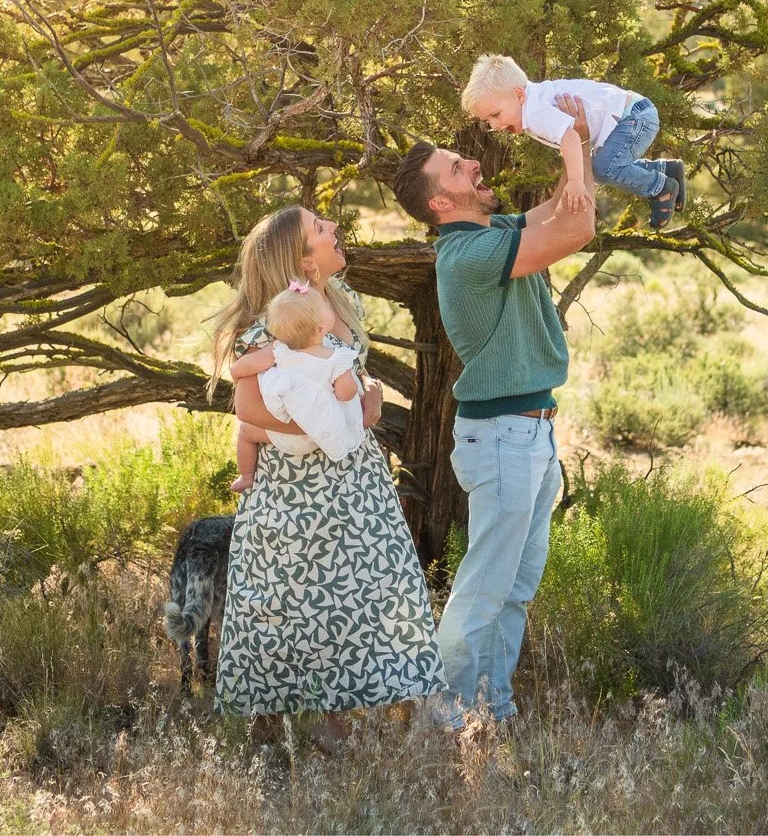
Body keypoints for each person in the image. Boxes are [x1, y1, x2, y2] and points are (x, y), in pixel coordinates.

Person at [391, 102, 596, 723]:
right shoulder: (468, 256)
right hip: (505, 438)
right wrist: (567, 143)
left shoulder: (493, 231)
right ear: (440, 204)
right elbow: (575, 230)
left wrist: (580, 139)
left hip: (530, 431)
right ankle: (443, 715)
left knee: (514, 588)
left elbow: (564, 205)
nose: (474, 162)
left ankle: (493, 706)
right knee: (484, 588)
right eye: (457, 168)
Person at [210, 207, 445, 740]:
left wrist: (366, 406)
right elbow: (248, 410)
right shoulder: (267, 327)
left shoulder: (345, 301)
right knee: (287, 599)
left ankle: (336, 715)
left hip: (354, 479)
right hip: (293, 485)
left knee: (356, 593)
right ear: (301, 261)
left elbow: (347, 374)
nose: (334, 229)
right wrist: (326, 424)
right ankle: (273, 725)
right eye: (321, 229)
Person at [460, 54, 685, 227]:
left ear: (519, 95)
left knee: (604, 169)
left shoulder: (536, 111)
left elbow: (570, 136)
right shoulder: (534, 102)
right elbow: (571, 139)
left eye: (495, 114)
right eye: (487, 120)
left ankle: (661, 186)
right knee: (604, 166)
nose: (494, 125)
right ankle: (666, 168)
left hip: (633, 117)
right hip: (634, 112)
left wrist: (575, 182)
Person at [227, 281, 366, 493]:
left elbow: (243, 367)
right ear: (320, 328)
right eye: (325, 307)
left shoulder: (278, 350)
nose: (329, 307)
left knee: (246, 433)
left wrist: (237, 372)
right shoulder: (335, 358)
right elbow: (345, 394)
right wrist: (350, 385)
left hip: (284, 435)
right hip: (319, 436)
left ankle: (246, 476)